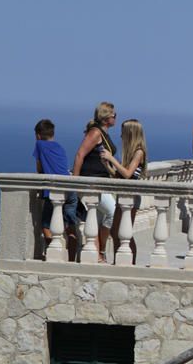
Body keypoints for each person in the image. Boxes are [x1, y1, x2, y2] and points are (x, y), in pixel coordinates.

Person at [72, 101, 118, 263]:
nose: (115, 118)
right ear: (106, 118)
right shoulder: (95, 133)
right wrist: (75, 183)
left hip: (102, 181)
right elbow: (80, 155)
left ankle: (98, 254)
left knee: (98, 219)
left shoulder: (104, 134)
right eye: (114, 115)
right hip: (92, 181)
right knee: (112, 212)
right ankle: (102, 251)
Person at [100, 119, 148, 264]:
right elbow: (120, 175)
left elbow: (128, 174)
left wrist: (112, 159)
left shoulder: (139, 152)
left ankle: (130, 262)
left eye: (123, 133)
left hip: (131, 198)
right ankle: (118, 260)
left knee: (124, 232)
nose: (121, 136)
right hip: (124, 196)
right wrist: (107, 165)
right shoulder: (131, 152)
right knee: (115, 231)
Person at [33, 119, 79, 261]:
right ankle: (71, 259)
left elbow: (39, 168)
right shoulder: (59, 147)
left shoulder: (39, 144)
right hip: (70, 188)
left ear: (38, 135)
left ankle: (52, 256)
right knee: (71, 227)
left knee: (46, 225)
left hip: (55, 190)